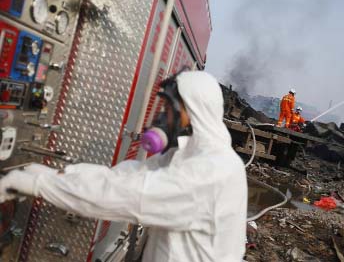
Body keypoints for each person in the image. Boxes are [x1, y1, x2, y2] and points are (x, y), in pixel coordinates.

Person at [0, 71, 247, 262]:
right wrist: (57, 174)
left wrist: (38, 184)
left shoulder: (212, 170)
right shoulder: (188, 155)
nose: (163, 118)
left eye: (169, 110)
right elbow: (126, 176)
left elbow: (126, 195)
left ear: (194, 111)